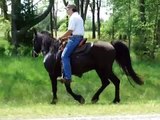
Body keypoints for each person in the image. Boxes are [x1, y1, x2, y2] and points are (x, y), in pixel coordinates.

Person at [58, 4, 84, 84]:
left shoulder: (73, 17)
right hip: (78, 37)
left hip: (75, 39)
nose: (66, 11)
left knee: (64, 56)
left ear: (72, 9)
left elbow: (70, 31)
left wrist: (60, 37)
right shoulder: (79, 17)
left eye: (67, 9)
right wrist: (64, 38)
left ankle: (68, 78)